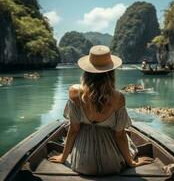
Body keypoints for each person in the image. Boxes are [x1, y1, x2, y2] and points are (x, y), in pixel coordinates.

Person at [48, 45, 153, 175]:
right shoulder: (118, 97)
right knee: (126, 134)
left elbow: (74, 130)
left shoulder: (74, 92)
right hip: (111, 164)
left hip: (82, 164)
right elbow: (119, 135)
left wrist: (63, 158)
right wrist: (131, 162)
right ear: (111, 72)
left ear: (87, 71)